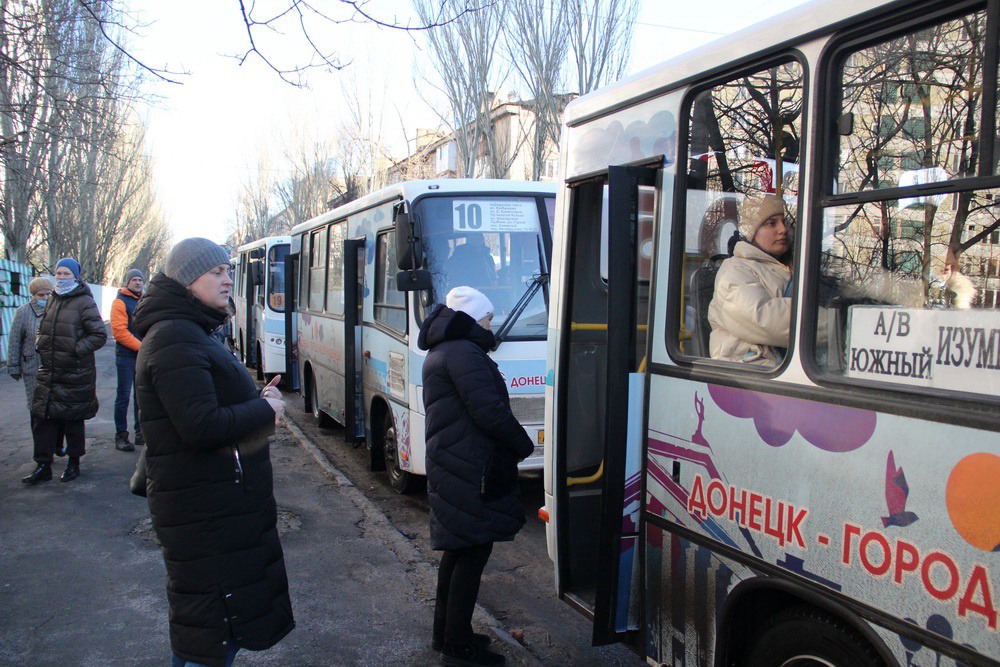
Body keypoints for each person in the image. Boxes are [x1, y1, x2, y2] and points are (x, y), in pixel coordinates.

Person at [133, 238, 293, 667]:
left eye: (227, 270)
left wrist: (254, 401)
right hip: (205, 512)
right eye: (216, 272)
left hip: (211, 506)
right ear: (188, 281)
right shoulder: (174, 339)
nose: (228, 279)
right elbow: (200, 426)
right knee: (213, 628)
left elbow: (201, 408)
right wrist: (264, 409)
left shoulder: (187, 331)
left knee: (208, 626)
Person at [418, 285, 534, 666]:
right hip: (468, 466)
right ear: (471, 320)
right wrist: (523, 444)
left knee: (460, 551)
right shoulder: (464, 353)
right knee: (470, 553)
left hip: (456, 464)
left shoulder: (446, 350)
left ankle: (449, 635)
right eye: (486, 318)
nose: (490, 324)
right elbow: (488, 412)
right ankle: (458, 649)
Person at [22, 258, 107, 485]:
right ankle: (43, 465)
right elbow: (44, 326)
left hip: (74, 373)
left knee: (72, 419)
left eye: (66, 274)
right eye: (58, 273)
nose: (61, 277)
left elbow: (99, 335)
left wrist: (74, 350)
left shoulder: (84, 302)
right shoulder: (52, 300)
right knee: (43, 417)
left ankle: (73, 463)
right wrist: (41, 340)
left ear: (75, 277)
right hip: (49, 370)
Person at [708, 194, 792, 365]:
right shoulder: (734, 270)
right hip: (749, 370)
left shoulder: (785, 267)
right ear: (752, 231)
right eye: (771, 223)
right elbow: (762, 319)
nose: (783, 229)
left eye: (786, 222)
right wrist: (833, 321)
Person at [6, 277, 54, 410]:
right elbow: (15, 340)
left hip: (55, 367)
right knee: (36, 405)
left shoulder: (57, 310)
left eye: (48, 294)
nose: (45, 297)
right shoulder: (23, 312)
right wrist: (14, 366)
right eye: (41, 295)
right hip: (32, 367)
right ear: (33, 295)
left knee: (54, 405)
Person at [111, 268, 145, 452]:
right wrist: (142, 347)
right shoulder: (120, 302)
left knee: (141, 395)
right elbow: (119, 332)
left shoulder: (145, 301)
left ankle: (140, 433)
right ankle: (121, 435)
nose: (138, 283)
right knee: (123, 396)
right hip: (126, 355)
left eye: (140, 280)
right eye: (134, 280)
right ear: (127, 282)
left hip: (142, 354)